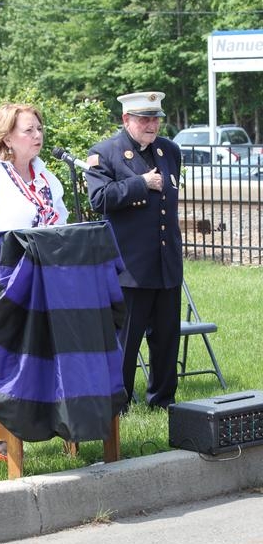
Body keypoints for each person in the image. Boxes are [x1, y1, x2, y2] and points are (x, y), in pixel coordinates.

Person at [0, 102, 69, 469]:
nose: (37, 136)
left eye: (39, 128)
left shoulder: (46, 176)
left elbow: (61, 222)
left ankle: (29, 430)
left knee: (37, 357)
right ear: (6, 136)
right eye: (28, 130)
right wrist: (17, 243)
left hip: (45, 281)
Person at [85, 91, 183, 410]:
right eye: (144, 118)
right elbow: (99, 199)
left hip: (165, 263)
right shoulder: (105, 153)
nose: (151, 124)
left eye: (155, 118)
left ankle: (163, 400)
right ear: (126, 119)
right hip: (129, 266)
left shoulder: (169, 150)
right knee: (126, 343)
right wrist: (141, 183)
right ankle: (120, 401)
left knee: (167, 338)